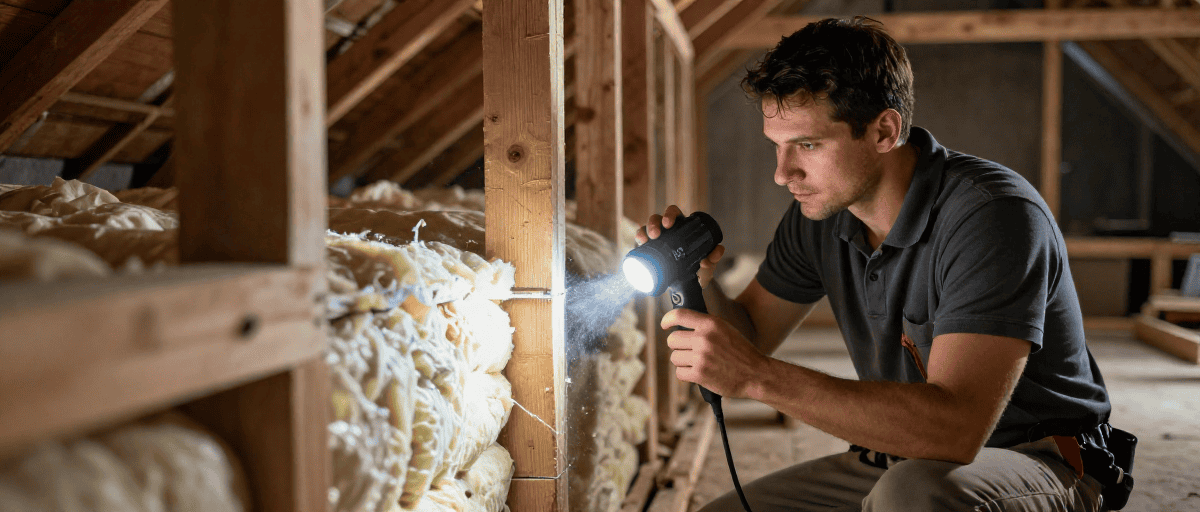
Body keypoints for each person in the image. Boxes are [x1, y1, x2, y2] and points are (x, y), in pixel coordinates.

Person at [636, 16, 1117, 512]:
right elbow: (751, 332)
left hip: (1038, 461)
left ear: (884, 130)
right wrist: (697, 282)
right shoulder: (820, 216)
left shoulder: (992, 215)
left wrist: (759, 377)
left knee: (913, 498)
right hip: (899, 457)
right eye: (776, 147)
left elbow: (955, 431)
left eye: (808, 145)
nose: (783, 174)